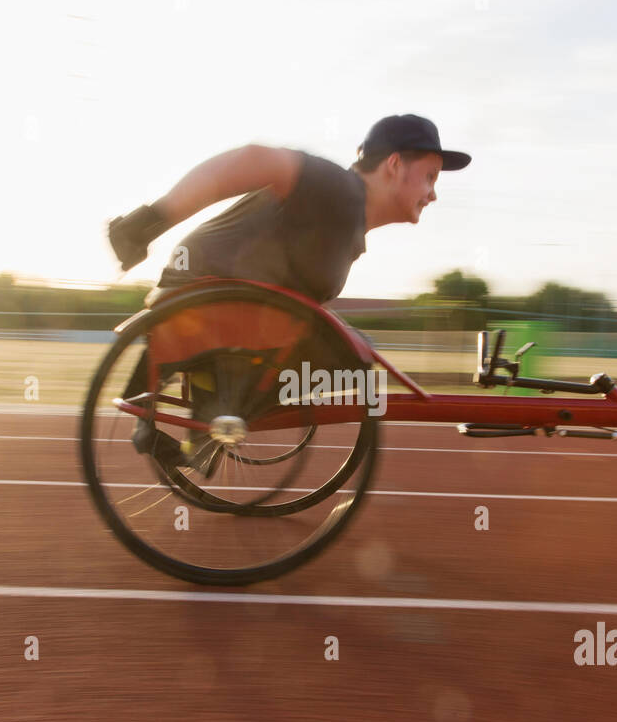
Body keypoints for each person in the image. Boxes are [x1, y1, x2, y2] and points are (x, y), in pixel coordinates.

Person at [106, 114, 471, 473]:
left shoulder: (347, 225)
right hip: (206, 299)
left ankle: (216, 408)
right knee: (353, 355)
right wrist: (149, 221)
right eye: (430, 177)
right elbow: (254, 159)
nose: (433, 194)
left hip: (215, 303)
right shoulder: (339, 189)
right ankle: (220, 409)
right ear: (394, 165)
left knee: (350, 349)